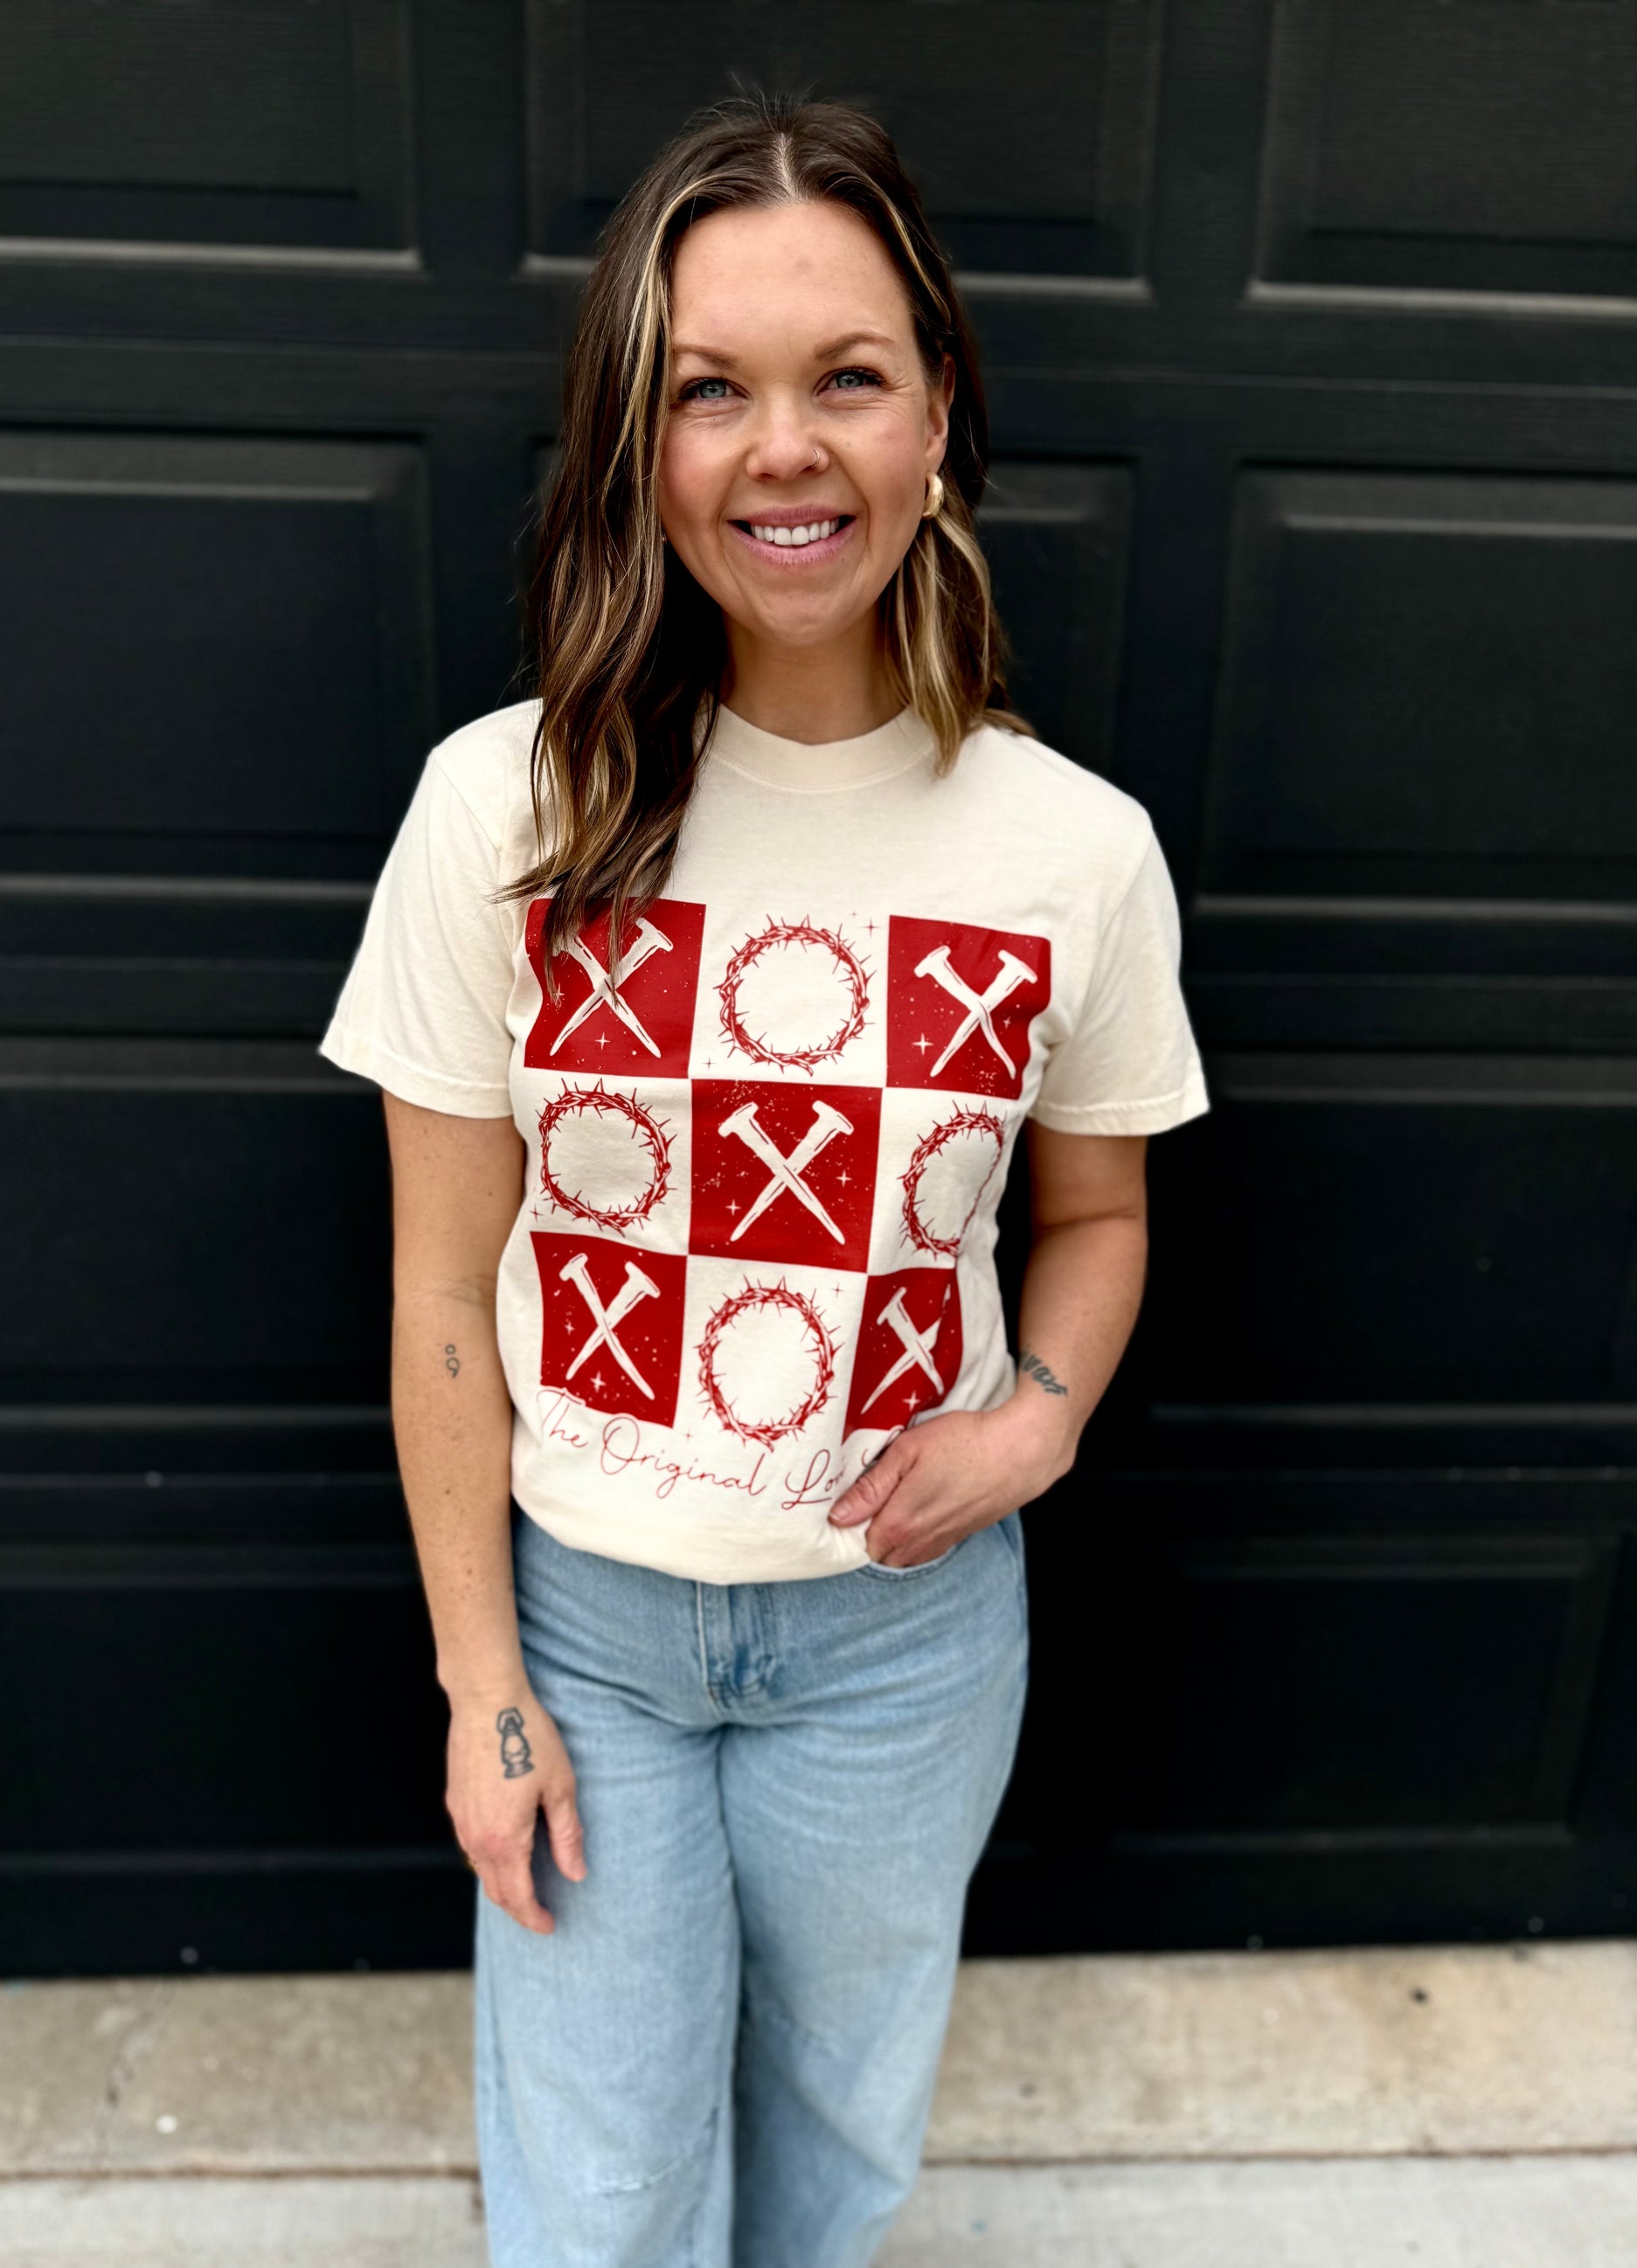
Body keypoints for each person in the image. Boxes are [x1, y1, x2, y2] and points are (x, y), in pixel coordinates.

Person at [320, 92, 1208, 2268]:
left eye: (848, 378)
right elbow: (441, 1291)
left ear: (937, 416)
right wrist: (480, 1686)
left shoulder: (1074, 848)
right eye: (710, 388)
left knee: (835, 2158)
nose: (781, 449)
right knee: (607, 2198)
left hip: (907, 1643)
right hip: (587, 1630)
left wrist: (1039, 1416)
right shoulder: (504, 808)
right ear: (639, 440)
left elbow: (1096, 1216)